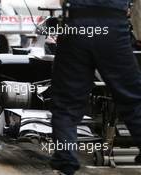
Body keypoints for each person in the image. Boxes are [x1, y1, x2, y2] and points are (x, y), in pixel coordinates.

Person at [50, 0, 141, 174]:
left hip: (76, 25)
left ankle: (65, 161)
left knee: (66, 104)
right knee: (133, 98)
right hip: (113, 25)